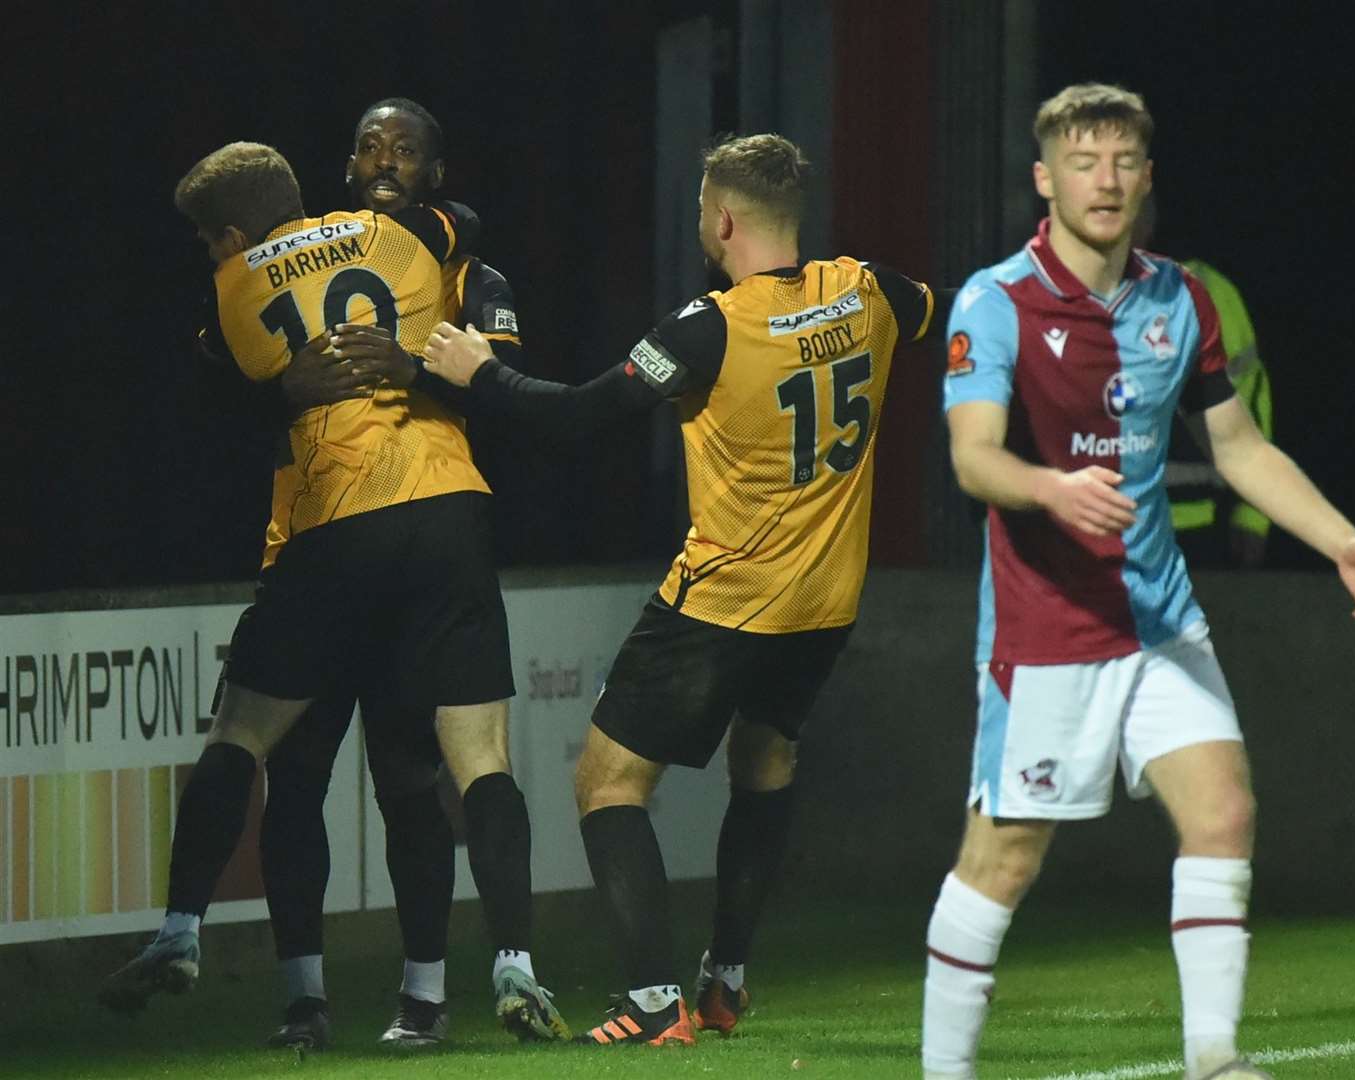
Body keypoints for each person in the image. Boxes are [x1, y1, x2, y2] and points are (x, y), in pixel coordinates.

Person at [409, 133, 934, 1046]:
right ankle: (725, 981)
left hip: (724, 600)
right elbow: (945, 317)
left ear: (722, 218)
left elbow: (576, 418)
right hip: (826, 605)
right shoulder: (874, 288)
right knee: (765, 762)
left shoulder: (709, 327)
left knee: (607, 784)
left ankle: (655, 1003)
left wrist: (479, 374)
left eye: (701, 207)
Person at [922, 83, 1355, 1080]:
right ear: (1045, 180)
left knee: (1223, 810)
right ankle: (944, 1072)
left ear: (1147, 180)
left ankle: (1215, 1060)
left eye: (1124, 162)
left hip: (1159, 619)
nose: (1106, 180)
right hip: (1048, 626)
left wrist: (1341, 540)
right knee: (1005, 860)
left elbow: (1238, 445)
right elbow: (974, 459)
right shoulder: (994, 299)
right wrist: (1051, 488)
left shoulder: (1179, 299)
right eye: (1084, 162)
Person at [98, 142, 567, 1048]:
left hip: (328, 534)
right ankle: (511, 967)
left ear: (230, 234)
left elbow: (204, 400)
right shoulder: (408, 238)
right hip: (446, 520)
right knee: (467, 764)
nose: (384, 163)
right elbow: (464, 236)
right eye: (370, 147)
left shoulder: (233, 288)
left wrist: (280, 388)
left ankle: (183, 931)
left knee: (259, 745)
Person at [240, 98, 559, 1051]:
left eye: (407, 150)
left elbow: (501, 388)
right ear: (346, 167)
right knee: (296, 779)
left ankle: (423, 999)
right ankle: (304, 1001)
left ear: (436, 172)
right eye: (371, 147)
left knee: (407, 780)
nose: (387, 160)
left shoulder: (471, 272)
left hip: (418, 544)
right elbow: (232, 377)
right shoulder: (295, 263)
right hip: (311, 542)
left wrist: (414, 368)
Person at [1133, 194, 1274, 568]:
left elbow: (1250, 403)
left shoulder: (1207, 294)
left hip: (1198, 532)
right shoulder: (1069, 297)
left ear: (1148, 222)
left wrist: (1251, 516)